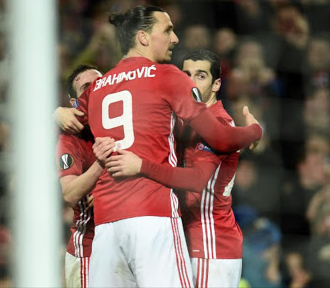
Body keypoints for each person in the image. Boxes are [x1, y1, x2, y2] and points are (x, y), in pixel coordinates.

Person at [61, 5, 262, 287]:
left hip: (106, 224)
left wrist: (55, 113)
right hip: (152, 215)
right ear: (143, 37)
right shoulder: (167, 76)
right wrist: (254, 130)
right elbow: (219, 138)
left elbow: (70, 118)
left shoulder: (99, 86)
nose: (175, 38)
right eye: (167, 30)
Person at [93, 49, 247, 287]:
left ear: (217, 84)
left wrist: (141, 169)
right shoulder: (185, 120)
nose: (191, 82)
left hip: (210, 243)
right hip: (188, 239)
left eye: (201, 76)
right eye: (186, 74)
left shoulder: (216, 123)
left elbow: (196, 180)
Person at [55, 64, 104, 288]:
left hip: (127, 246)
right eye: (86, 87)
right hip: (89, 250)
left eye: (99, 83)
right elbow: (70, 194)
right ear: (74, 102)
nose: (95, 90)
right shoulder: (70, 140)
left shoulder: (126, 124)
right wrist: (102, 163)